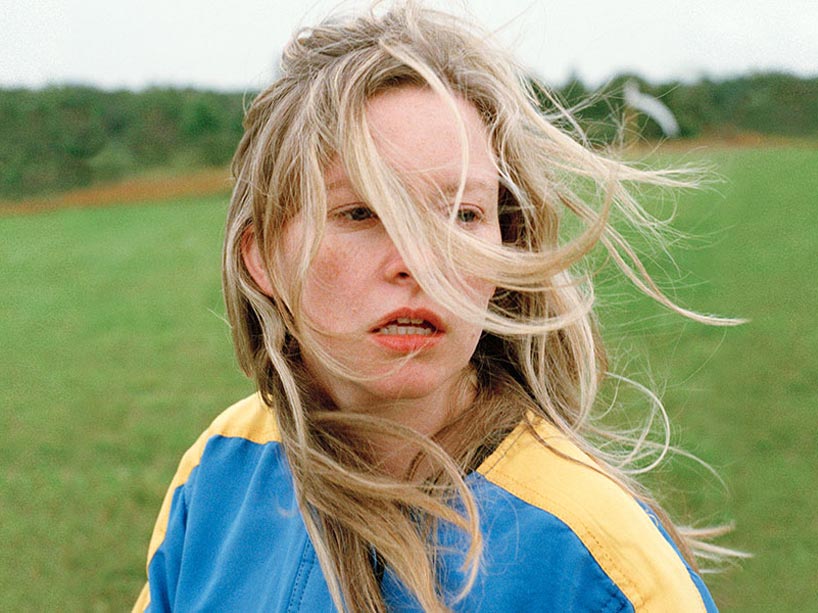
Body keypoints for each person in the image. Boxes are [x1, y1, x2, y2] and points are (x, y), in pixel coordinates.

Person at [134, 2, 739, 611]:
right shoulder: (221, 468)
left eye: (462, 215)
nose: (420, 262)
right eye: (362, 213)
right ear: (261, 256)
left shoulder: (596, 554)